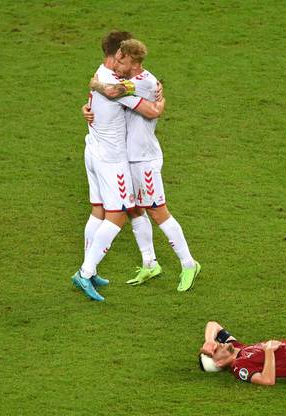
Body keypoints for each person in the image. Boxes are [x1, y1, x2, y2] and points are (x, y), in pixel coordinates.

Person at [84, 39, 201, 292]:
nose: (117, 64)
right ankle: (150, 263)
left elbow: (112, 91)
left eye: (121, 60)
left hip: (143, 159)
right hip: (128, 157)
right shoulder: (137, 81)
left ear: (132, 62)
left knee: (158, 211)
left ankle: (189, 264)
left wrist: (95, 84)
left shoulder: (138, 83)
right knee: (134, 210)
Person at [72, 32, 166, 302]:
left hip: (92, 149)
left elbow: (103, 92)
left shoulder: (100, 71)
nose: (134, 68)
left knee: (98, 211)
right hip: (112, 159)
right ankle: (85, 271)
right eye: (129, 60)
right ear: (118, 56)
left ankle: (91, 267)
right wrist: (160, 99)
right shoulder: (116, 84)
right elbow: (150, 111)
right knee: (118, 216)